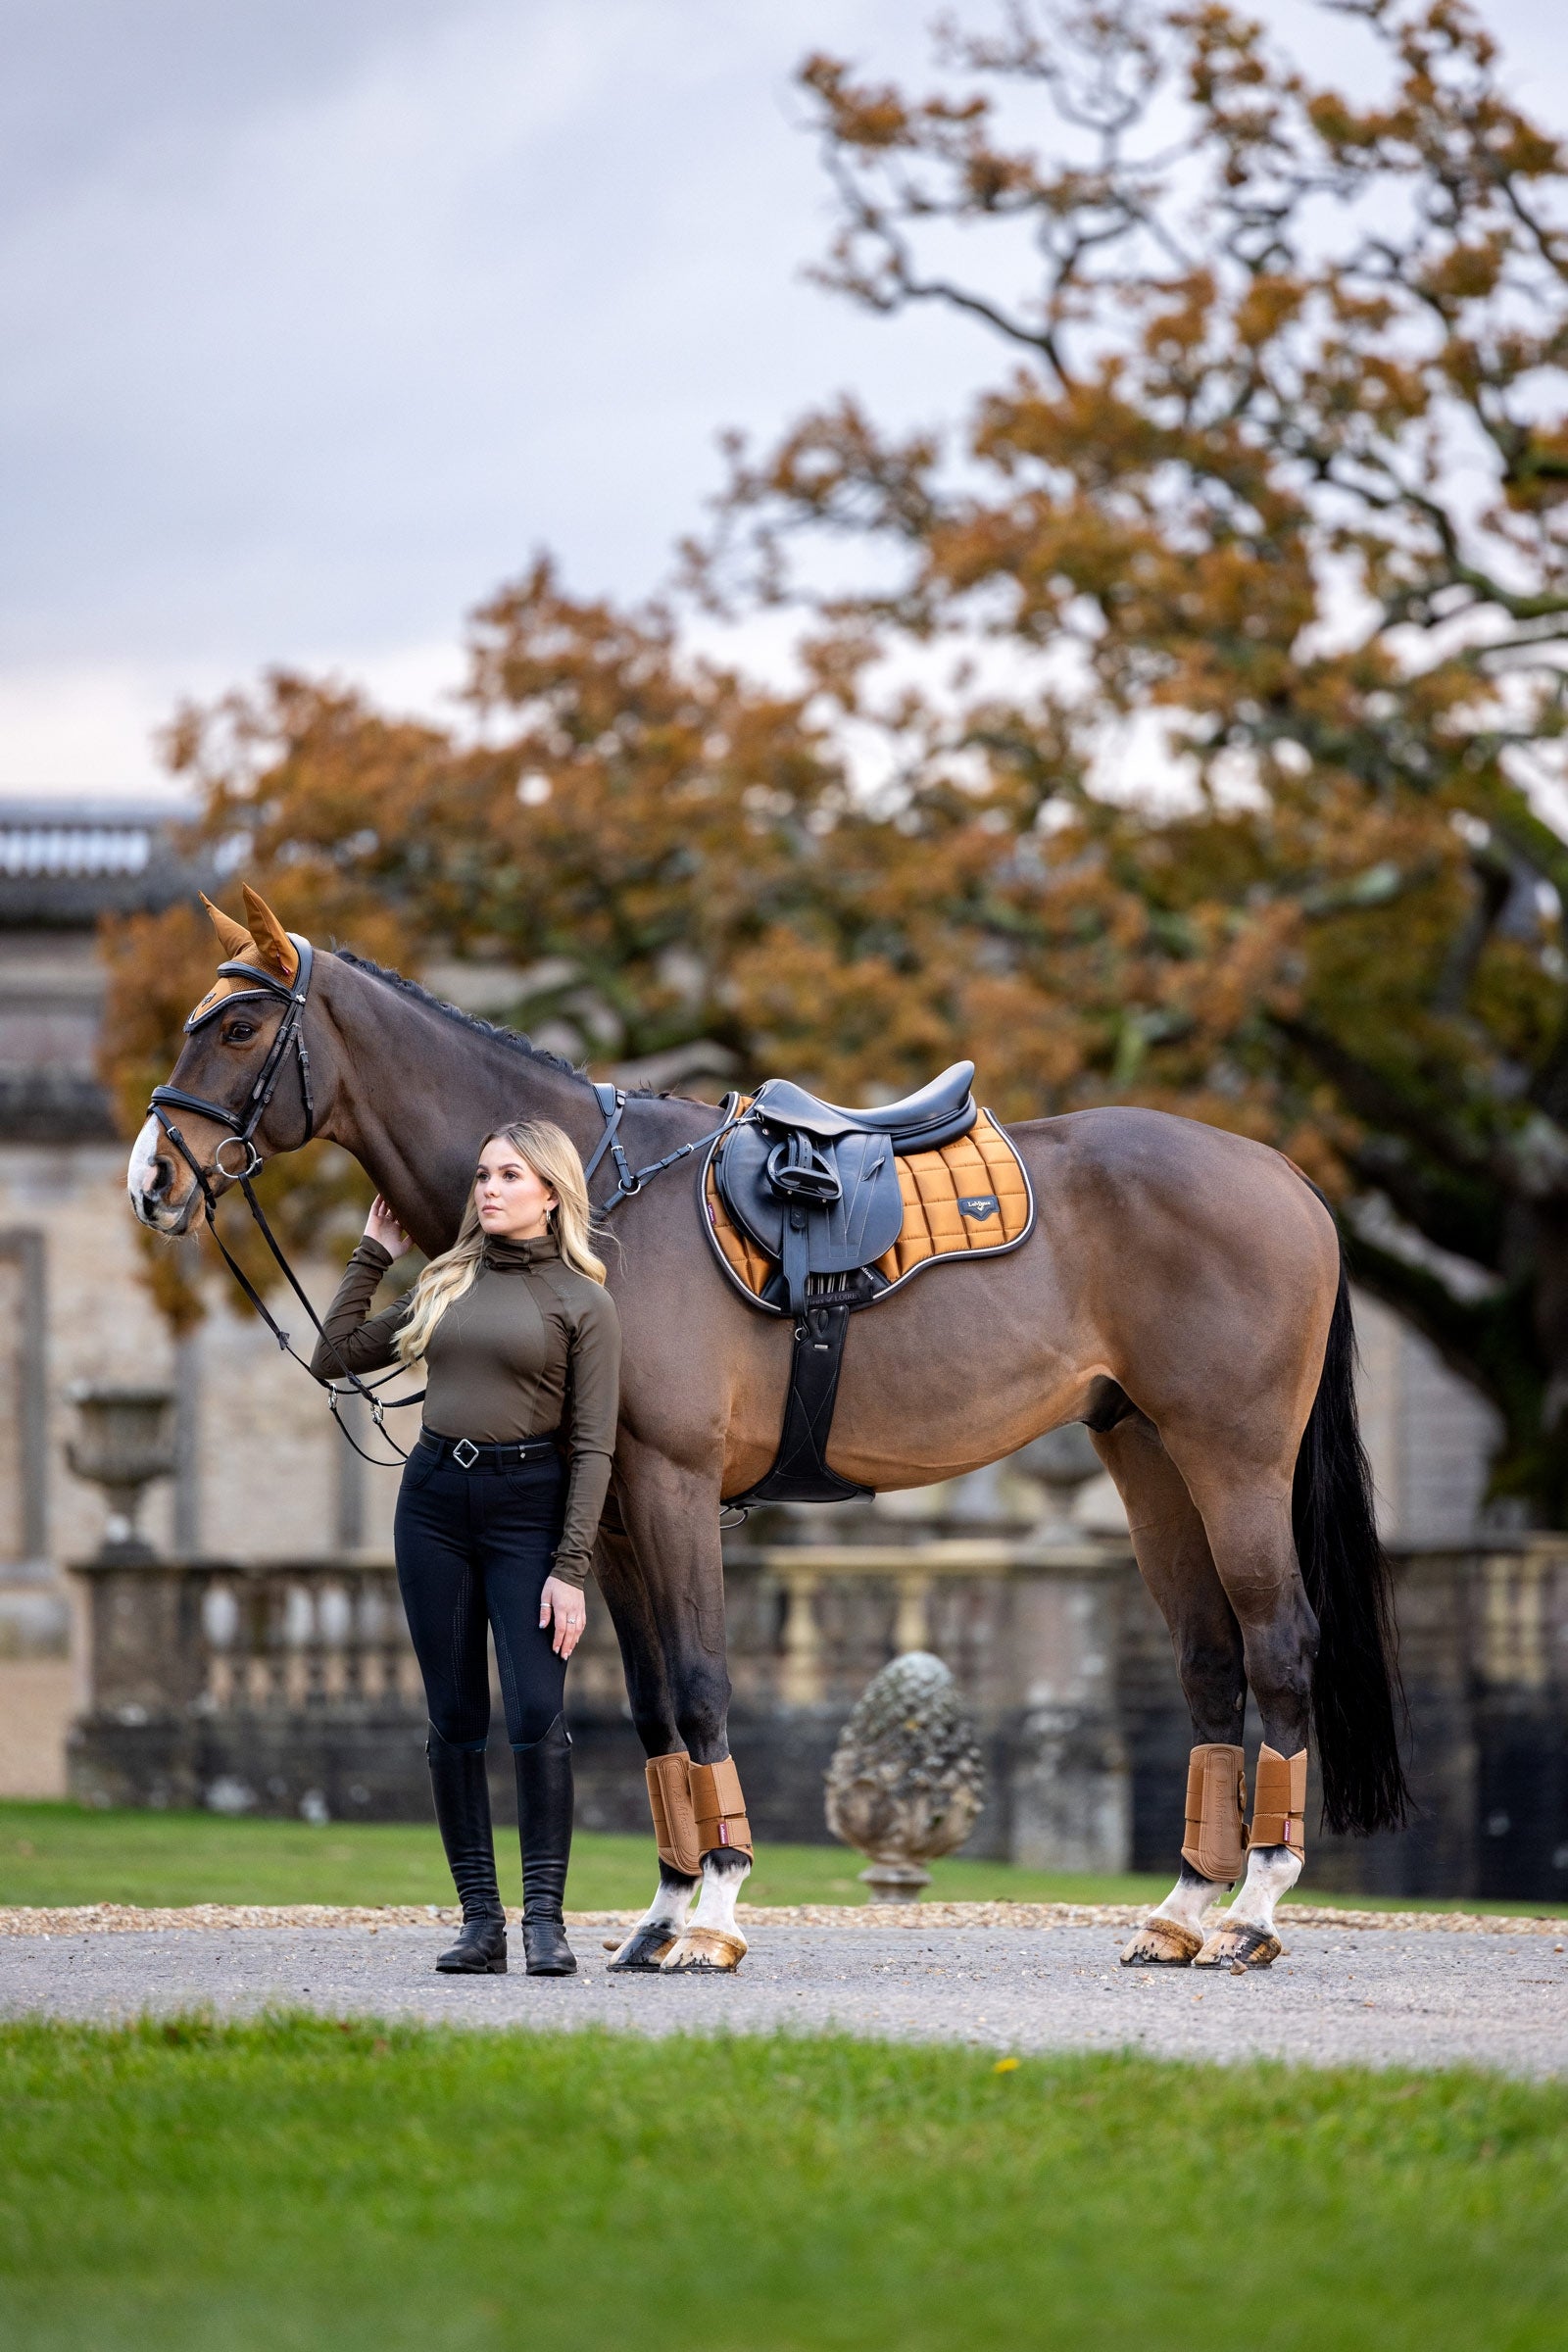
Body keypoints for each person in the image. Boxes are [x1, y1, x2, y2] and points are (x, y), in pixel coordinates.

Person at [311, 1119, 620, 1978]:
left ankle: (545, 1924)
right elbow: (331, 1356)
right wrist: (372, 1254)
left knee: (534, 1716)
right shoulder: (446, 1283)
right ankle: (481, 1922)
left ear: (550, 1193)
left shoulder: (583, 1302)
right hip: (435, 1503)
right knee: (453, 1719)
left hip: (530, 1512)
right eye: (482, 1173)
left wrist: (570, 1569)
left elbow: (593, 1447)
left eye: (509, 1175)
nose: (488, 1188)